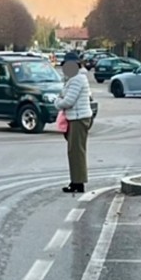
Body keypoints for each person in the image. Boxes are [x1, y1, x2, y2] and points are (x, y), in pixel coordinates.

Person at [55, 51, 94, 193]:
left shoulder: (77, 79)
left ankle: (78, 183)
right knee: (74, 151)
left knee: (77, 152)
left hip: (78, 118)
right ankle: (76, 181)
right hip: (76, 118)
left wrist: (57, 102)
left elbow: (68, 101)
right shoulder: (74, 78)